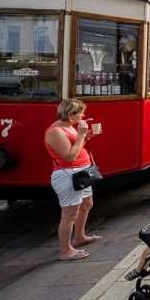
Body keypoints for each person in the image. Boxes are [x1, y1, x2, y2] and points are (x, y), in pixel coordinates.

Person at [44, 99, 102, 261]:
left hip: (82, 172)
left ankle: (80, 237)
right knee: (69, 215)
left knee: (86, 205)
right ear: (71, 114)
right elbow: (69, 156)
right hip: (68, 175)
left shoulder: (68, 127)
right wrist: (82, 134)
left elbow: (76, 146)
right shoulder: (55, 131)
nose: (84, 115)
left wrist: (85, 137)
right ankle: (66, 250)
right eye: (81, 112)